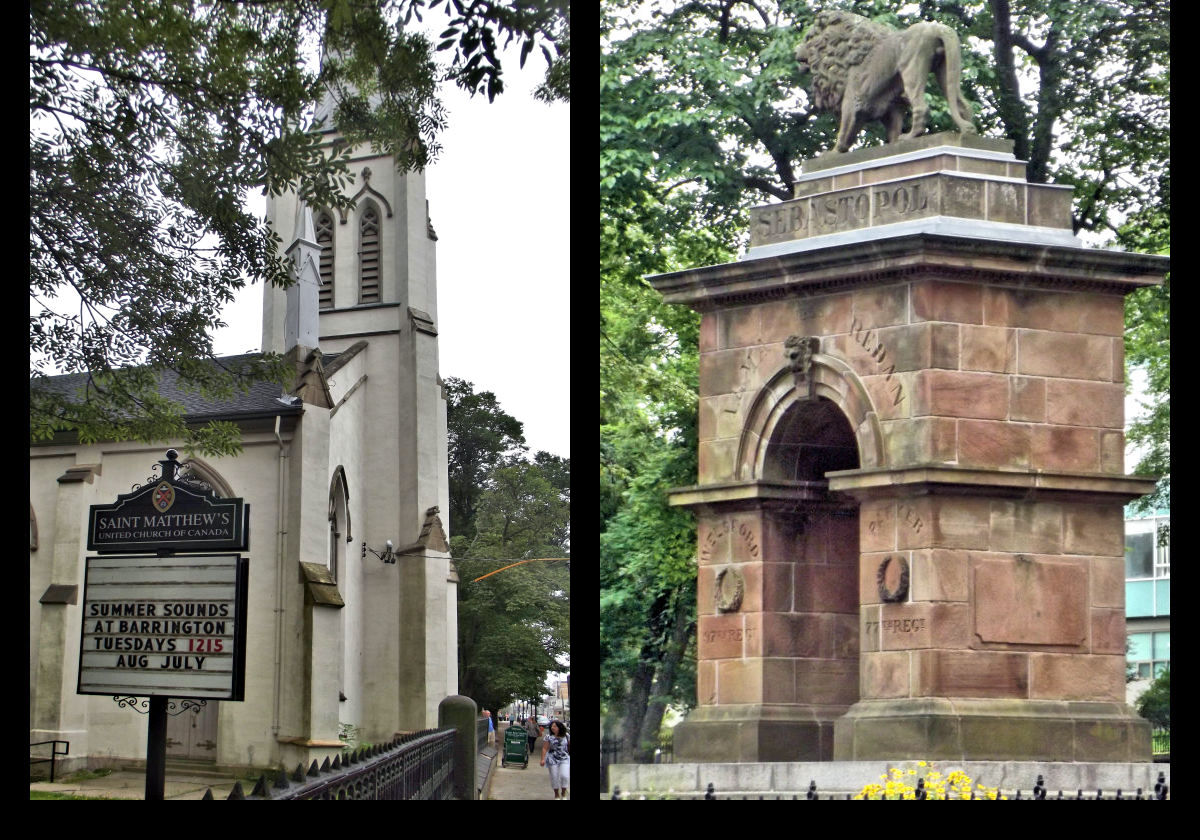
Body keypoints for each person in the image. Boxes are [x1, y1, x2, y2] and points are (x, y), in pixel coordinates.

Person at [539, 719, 570, 800]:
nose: (552, 728)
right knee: (554, 776)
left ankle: (563, 793)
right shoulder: (548, 737)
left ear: (559, 727)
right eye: (551, 726)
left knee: (565, 776)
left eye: (555, 726)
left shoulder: (566, 735)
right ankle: (556, 794)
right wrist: (542, 759)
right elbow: (544, 749)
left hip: (564, 758)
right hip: (552, 759)